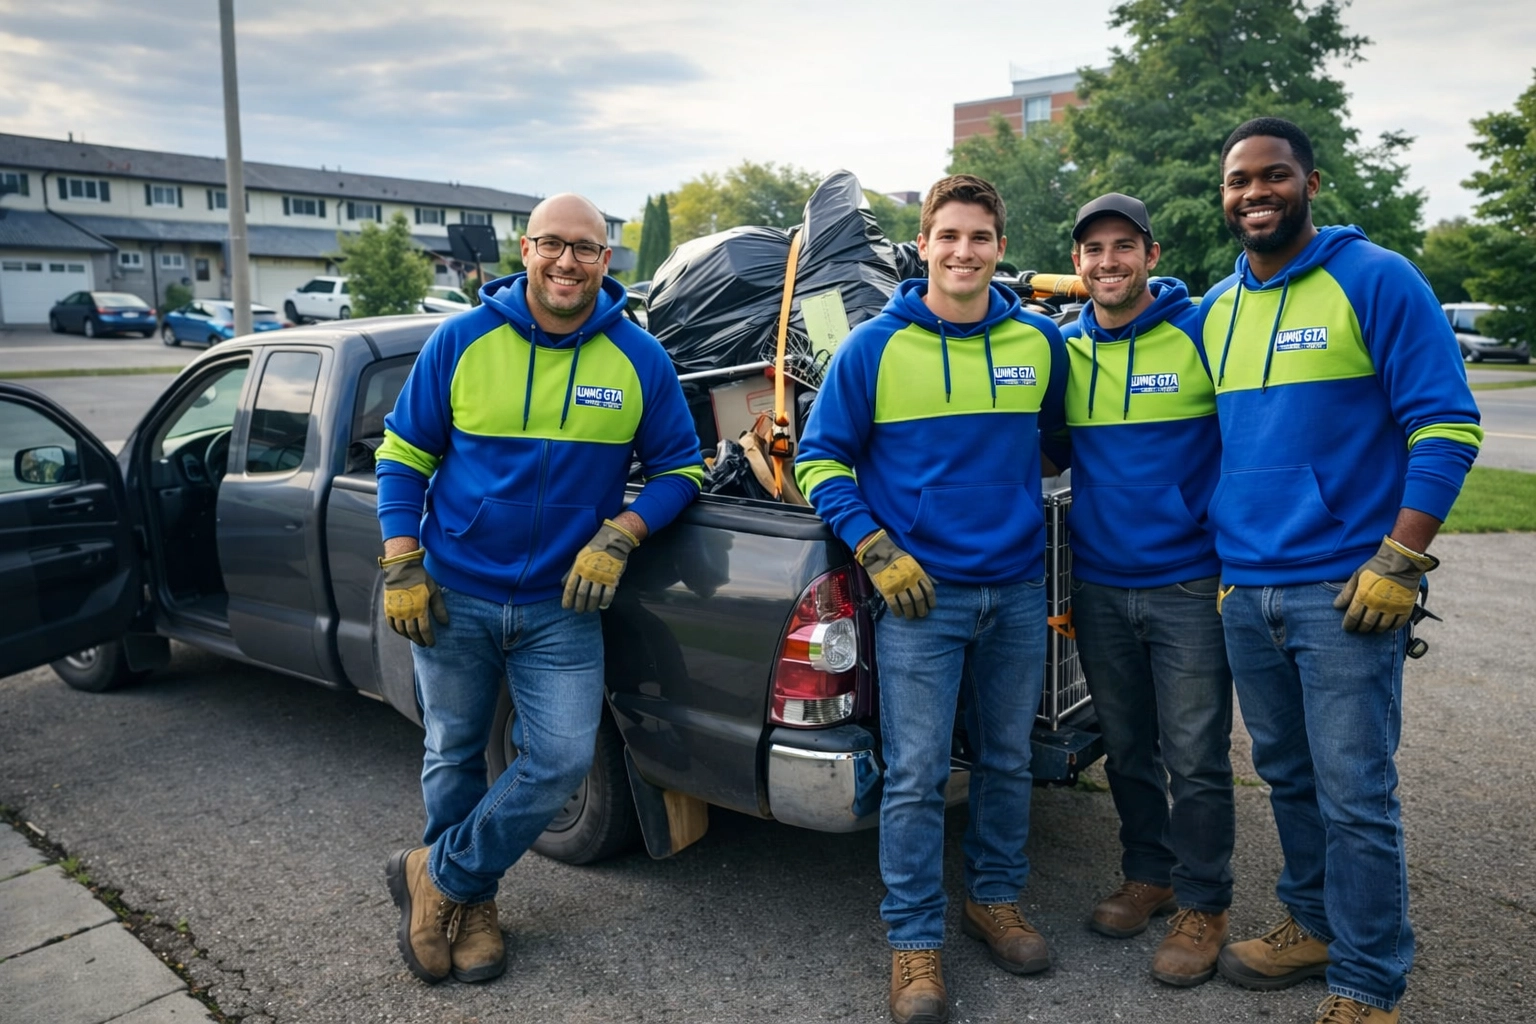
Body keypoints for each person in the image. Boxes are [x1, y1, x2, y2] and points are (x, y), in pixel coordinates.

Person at [373, 193, 703, 985]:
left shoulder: (637, 358)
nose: (568, 262)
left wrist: (621, 534)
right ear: (525, 250)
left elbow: (683, 468)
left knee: (555, 759)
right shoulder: (462, 340)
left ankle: (440, 877)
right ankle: (475, 903)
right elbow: (403, 453)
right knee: (452, 751)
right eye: (553, 245)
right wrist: (401, 562)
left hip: (562, 607)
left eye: (586, 249)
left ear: (606, 262)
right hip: (455, 593)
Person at [1201, 118, 1482, 1024]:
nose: (1255, 193)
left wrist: (1401, 558)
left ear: (1310, 184)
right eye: (1239, 180)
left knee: (1357, 792)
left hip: (1347, 593)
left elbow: (1445, 424)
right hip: (1246, 587)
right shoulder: (1215, 310)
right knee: (1286, 775)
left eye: (1273, 176)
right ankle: (1312, 923)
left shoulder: (1377, 279)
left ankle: (1368, 983)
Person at [795, 174, 1069, 1024]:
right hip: (920, 599)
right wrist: (877, 548)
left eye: (980, 237)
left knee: (1008, 758)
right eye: (948, 236)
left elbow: (1056, 447)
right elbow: (819, 462)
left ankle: (995, 898)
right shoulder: (873, 349)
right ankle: (914, 943)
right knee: (914, 775)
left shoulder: (1038, 346)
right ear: (925, 244)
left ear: (998, 247)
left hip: (1018, 588)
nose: (964, 251)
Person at [1061, 193, 1235, 987]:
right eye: (1093, 249)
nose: (1108, 262)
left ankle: (1205, 902)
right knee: (1128, 747)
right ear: (1077, 265)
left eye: (1122, 246)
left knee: (1196, 753)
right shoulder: (1062, 352)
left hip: (1188, 581)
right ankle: (1149, 874)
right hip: (1100, 583)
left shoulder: (1202, 333)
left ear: (1151, 255)